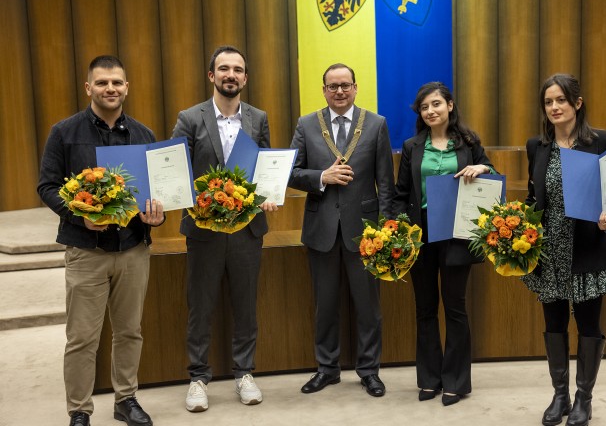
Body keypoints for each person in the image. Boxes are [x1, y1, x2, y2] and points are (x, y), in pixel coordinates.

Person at [37, 55, 164, 426]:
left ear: (127, 87)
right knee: (82, 338)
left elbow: (157, 192)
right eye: (103, 82)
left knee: (129, 331)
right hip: (85, 251)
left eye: (117, 83)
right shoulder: (64, 132)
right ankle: (79, 410)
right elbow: (46, 185)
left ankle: (126, 399)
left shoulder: (144, 135)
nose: (111, 88)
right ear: (89, 87)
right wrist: (81, 214)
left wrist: (158, 214)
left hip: (133, 249)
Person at [172, 45, 278, 412]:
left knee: (245, 305)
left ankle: (244, 373)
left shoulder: (258, 117)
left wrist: (269, 193)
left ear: (245, 78)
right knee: (200, 306)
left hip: (248, 229)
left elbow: (265, 167)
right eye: (224, 69)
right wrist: (202, 200)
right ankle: (198, 378)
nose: (230, 75)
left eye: (237, 69)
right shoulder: (189, 118)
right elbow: (178, 173)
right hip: (203, 230)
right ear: (211, 75)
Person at [289, 63, 395, 397]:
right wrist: (322, 177)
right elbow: (291, 172)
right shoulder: (306, 124)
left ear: (355, 87)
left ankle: (369, 371)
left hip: (364, 231)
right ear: (323, 90)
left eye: (345, 85)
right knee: (326, 304)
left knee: (368, 306)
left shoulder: (376, 124)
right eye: (333, 86)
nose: (339, 91)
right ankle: (327, 369)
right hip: (320, 229)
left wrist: (387, 230)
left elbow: (385, 183)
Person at [522, 73, 606, 426]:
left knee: (590, 325)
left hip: (588, 250)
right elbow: (533, 199)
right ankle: (560, 395)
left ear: (577, 103)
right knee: (554, 324)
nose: (554, 107)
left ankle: (584, 398)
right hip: (549, 253)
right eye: (548, 102)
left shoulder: (601, 141)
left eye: (560, 100)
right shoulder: (537, 146)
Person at [392, 82, 495, 406]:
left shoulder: (469, 142)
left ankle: (456, 381)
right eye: (424, 107)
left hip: (457, 235)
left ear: (450, 105)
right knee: (424, 310)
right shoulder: (412, 146)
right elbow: (399, 194)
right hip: (420, 237)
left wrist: (483, 167)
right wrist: (400, 230)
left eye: (436, 104)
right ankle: (429, 379)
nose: (431, 110)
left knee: (455, 308)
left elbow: (493, 176)